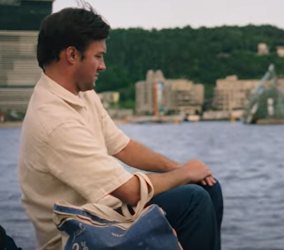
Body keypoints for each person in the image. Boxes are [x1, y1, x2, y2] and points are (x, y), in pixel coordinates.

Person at [17, 5, 223, 250]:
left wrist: (179, 169)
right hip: (76, 233)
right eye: (98, 56)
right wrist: (183, 174)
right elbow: (129, 192)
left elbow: (122, 146)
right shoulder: (53, 119)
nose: (103, 66)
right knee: (194, 199)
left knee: (207, 188)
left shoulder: (80, 93)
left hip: (104, 213)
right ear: (72, 55)